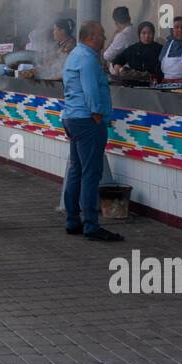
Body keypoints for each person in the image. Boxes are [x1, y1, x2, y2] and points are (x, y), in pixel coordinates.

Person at [61, 21, 124, 241]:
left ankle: (72, 220)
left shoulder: (75, 55)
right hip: (87, 121)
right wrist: (97, 113)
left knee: (77, 170)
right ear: (91, 37)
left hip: (73, 118)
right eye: (102, 35)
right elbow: (90, 89)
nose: (104, 39)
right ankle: (90, 224)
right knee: (91, 173)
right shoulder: (87, 59)